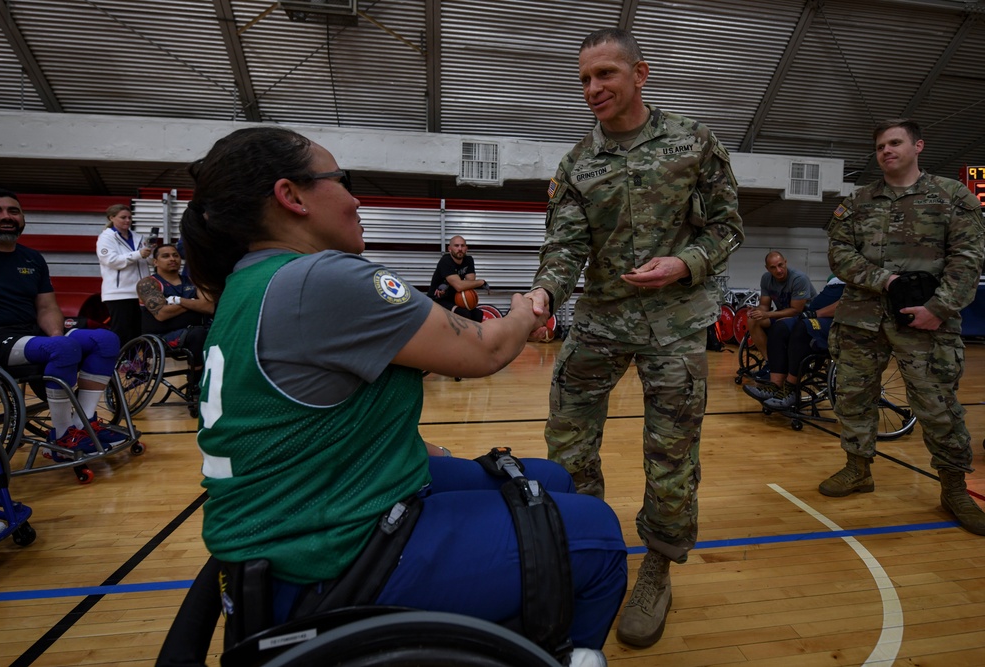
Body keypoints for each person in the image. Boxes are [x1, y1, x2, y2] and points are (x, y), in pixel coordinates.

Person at [180, 126, 628, 664]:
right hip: (328, 553)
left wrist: (398, 443)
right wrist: (529, 304)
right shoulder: (321, 278)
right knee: (600, 538)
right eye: (340, 180)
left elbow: (313, 406)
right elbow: (484, 350)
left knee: (551, 480)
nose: (354, 197)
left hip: (293, 517)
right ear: (291, 196)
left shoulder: (250, 280)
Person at [524, 28, 744, 649]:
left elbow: (728, 228)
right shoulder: (577, 163)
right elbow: (565, 247)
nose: (593, 89)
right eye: (585, 79)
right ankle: (587, 540)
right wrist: (544, 294)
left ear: (639, 74)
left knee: (671, 450)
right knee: (566, 435)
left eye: (605, 75)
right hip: (600, 317)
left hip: (675, 323)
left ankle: (658, 567)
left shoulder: (693, 141)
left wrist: (685, 263)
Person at [822, 118, 985, 535]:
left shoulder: (952, 196)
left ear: (918, 146)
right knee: (854, 398)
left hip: (925, 323)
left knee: (937, 405)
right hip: (860, 319)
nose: (886, 151)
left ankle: (953, 487)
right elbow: (839, 253)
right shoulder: (857, 201)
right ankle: (858, 468)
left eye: (895, 143)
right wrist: (887, 281)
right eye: (879, 147)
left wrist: (940, 308)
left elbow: (967, 259)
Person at [0, 187, 126, 459]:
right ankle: (62, 436)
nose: (6, 216)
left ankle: (84, 424)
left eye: (13, 211)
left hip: (30, 335)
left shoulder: (32, 258)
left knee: (105, 339)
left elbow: (47, 306)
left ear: (22, 217)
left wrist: (56, 337)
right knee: (62, 348)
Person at [743, 277, 844, 410]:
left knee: (803, 327)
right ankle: (775, 385)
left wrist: (816, 313)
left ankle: (790, 389)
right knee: (780, 326)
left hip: (836, 321)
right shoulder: (840, 274)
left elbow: (847, 304)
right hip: (815, 314)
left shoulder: (862, 275)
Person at [135, 243, 214, 398]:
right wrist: (193, 302)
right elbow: (162, 314)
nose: (172, 259)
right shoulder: (148, 283)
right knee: (198, 335)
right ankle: (195, 385)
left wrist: (177, 300)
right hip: (161, 336)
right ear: (155, 262)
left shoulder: (193, 280)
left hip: (194, 330)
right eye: (166, 256)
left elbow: (209, 307)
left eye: (175, 255)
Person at [745, 251, 818, 367]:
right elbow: (765, 305)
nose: (778, 270)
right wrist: (756, 311)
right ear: (767, 268)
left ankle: (783, 364)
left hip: (804, 316)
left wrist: (767, 315)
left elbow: (796, 310)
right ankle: (770, 363)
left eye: (780, 265)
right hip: (783, 315)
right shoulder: (766, 279)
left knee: (780, 325)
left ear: (785, 262)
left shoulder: (799, 279)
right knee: (753, 320)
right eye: (773, 267)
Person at [97, 203, 152, 344]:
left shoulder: (138, 237)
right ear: (112, 218)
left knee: (140, 330)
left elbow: (148, 261)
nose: (127, 220)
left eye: (129, 217)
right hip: (119, 293)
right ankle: (119, 362)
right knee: (122, 331)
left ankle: (139, 362)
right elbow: (112, 261)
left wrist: (152, 253)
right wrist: (138, 254)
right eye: (123, 217)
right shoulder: (106, 238)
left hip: (142, 292)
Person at [430, 235, 488, 322]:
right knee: (464, 314)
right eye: (456, 246)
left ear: (466, 248)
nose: (460, 249)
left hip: (454, 299)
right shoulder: (445, 261)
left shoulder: (468, 260)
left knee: (478, 314)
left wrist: (462, 283)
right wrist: (481, 282)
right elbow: (459, 286)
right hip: (438, 300)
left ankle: (472, 336)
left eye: (462, 246)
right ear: (449, 249)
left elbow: (470, 283)